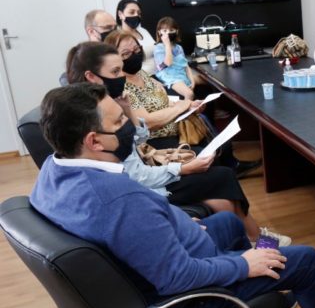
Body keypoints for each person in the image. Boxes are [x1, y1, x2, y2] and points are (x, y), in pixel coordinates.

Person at [30, 83, 315, 308]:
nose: (130, 127)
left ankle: (267, 298)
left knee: (229, 222)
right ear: (93, 141)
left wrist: (172, 228)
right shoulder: (118, 199)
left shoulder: (53, 169)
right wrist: (243, 266)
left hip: (161, 260)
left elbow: (136, 234)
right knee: (306, 259)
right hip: (183, 297)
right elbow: (177, 277)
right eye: (119, 123)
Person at [65, 41, 284, 244]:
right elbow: (136, 175)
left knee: (222, 197)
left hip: (149, 171)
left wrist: (128, 110)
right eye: (115, 72)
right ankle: (257, 238)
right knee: (223, 177)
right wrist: (183, 168)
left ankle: (250, 240)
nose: (121, 76)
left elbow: (137, 140)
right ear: (92, 77)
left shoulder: (109, 103)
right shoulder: (97, 117)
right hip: (149, 187)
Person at [105, 31, 262, 179]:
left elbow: (164, 100)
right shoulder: (122, 88)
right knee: (208, 157)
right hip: (156, 143)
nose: (135, 55)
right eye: (126, 54)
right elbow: (146, 122)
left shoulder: (141, 74)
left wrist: (189, 105)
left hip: (174, 130)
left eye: (136, 49)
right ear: (114, 60)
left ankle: (229, 172)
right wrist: (182, 107)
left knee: (220, 143)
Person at [153, 16, 197, 100]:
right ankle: (188, 112)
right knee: (189, 94)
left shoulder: (178, 48)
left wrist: (192, 80)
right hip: (169, 77)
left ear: (176, 31)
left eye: (171, 30)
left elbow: (186, 66)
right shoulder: (159, 47)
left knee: (204, 80)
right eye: (165, 31)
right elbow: (168, 63)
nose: (168, 33)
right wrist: (167, 44)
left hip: (181, 74)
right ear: (159, 32)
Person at [116, 0, 157, 75]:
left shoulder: (143, 31)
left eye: (139, 13)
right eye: (132, 12)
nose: (136, 15)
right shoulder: (119, 38)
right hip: (145, 78)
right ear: (120, 14)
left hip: (160, 72)